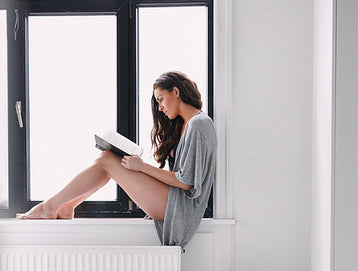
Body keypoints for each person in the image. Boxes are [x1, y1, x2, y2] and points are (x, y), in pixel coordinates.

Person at [16, 71, 217, 248]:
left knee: (107, 161)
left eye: (161, 99)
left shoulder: (199, 124)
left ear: (176, 91)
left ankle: (49, 207)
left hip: (180, 207)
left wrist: (142, 167)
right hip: (172, 200)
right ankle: (66, 206)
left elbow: (185, 181)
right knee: (108, 157)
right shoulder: (186, 125)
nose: (160, 107)